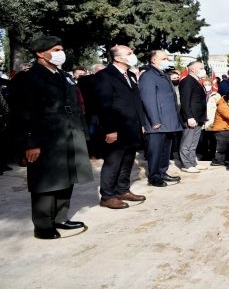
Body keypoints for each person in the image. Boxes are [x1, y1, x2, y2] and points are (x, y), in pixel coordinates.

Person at [18, 36, 93, 239]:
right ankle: (42, 224)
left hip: (68, 133)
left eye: (61, 48)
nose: (61, 53)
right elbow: (25, 112)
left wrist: (82, 132)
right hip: (45, 137)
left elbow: (74, 105)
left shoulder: (62, 75)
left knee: (67, 177)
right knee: (46, 181)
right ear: (40, 54)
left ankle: (60, 217)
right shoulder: (29, 77)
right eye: (56, 49)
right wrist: (31, 142)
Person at [94, 45, 147, 209]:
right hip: (115, 128)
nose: (133, 55)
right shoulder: (104, 76)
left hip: (132, 127)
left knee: (127, 161)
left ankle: (122, 190)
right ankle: (107, 196)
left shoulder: (130, 75)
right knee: (113, 162)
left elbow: (136, 101)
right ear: (117, 58)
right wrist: (109, 129)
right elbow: (103, 105)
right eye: (129, 53)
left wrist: (142, 123)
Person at [139, 50, 183, 187]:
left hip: (169, 121)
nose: (167, 60)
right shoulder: (148, 76)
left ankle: (162, 172)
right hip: (158, 122)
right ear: (153, 60)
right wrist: (155, 121)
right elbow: (148, 99)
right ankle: (154, 177)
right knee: (156, 150)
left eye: (168, 58)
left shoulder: (163, 75)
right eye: (164, 58)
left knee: (165, 150)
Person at [178, 61, 208, 173]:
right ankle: (186, 164)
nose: (203, 70)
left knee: (193, 143)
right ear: (192, 69)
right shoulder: (187, 81)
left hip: (199, 117)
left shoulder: (197, 81)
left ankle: (193, 162)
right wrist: (189, 117)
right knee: (187, 142)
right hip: (191, 117)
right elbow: (185, 101)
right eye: (200, 68)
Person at [77, 63, 106, 159]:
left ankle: (97, 152)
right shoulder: (85, 81)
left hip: (99, 112)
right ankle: (94, 153)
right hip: (91, 112)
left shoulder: (84, 80)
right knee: (92, 133)